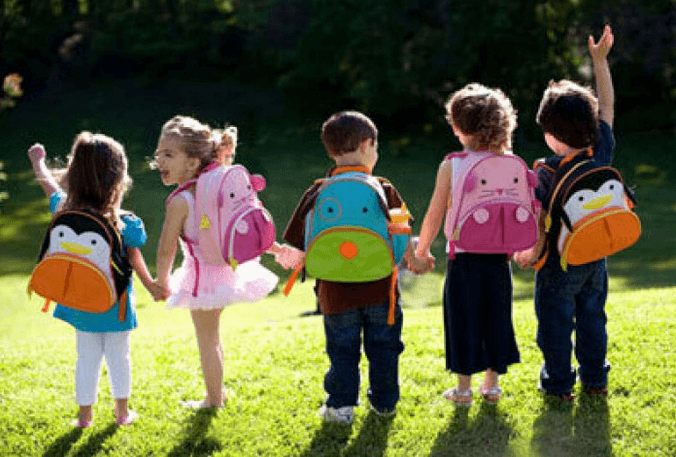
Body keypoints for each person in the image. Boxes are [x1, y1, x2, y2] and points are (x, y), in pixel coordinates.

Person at [279, 111, 418, 424]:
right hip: (382, 290)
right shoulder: (384, 187)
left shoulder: (316, 191)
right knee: (384, 348)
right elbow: (403, 229)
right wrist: (414, 259)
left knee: (342, 350)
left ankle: (341, 406)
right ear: (368, 145)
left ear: (331, 151)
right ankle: (384, 403)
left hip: (335, 293)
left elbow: (299, 244)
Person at [27, 132, 160, 428]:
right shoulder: (125, 221)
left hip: (78, 302)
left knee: (85, 359)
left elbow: (50, 187)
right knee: (119, 358)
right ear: (117, 178)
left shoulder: (64, 208)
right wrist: (152, 286)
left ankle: (84, 417)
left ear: (75, 175)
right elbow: (135, 258)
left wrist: (39, 164)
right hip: (117, 305)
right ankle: (122, 413)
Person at [153, 115, 286, 408]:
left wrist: (161, 281)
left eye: (169, 154)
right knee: (212, 336)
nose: (160, 160)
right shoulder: (215, 186)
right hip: (228, 272)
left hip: (202, 279)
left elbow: (166, 249)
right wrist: (276, 251)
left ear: (191, 162)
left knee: (207, 339)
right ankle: (218, 393)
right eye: (159, 153)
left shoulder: (181, 201)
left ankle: (213, 400)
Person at [513, 25, 615, 401]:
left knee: (555, 327)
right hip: (595, 257)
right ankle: (595, 380)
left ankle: (558, 385)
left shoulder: (546, 171)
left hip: (558, 264)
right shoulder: (599, 153)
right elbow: (608, 106)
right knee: (593, 320)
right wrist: (599, 62)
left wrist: (529, 253)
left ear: (551, 135)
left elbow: (539, 221)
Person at [411, 83, 521, 407]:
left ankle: (463, 389)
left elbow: (434, 212)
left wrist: (422, 250)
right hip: (501, 259)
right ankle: (493, 386)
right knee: (496, 319)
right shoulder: (510, 161)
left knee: (463, 322)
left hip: (464, 259)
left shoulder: (452, 164)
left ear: (458, 126)